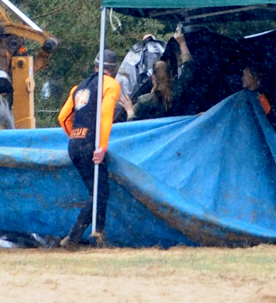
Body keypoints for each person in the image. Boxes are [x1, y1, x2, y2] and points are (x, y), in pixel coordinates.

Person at [57, 49, 121, 248]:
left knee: (99, 192)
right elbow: (105, 115)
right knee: (100, 193)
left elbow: (62, 117)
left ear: (95, 67)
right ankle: (73, 237)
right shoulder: (110, 85)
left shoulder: (78, 88)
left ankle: (99, 237)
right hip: (91, 144)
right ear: (113, 69)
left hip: (75, 144)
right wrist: (101, 146)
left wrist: (76, 136)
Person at [131, 31, 193, 121]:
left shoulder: (144, 101)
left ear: (153, 77)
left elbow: (135, 127)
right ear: (171, 75)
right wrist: (182, 43)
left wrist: (130, 112)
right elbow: (189, 67)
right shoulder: (179, 93)